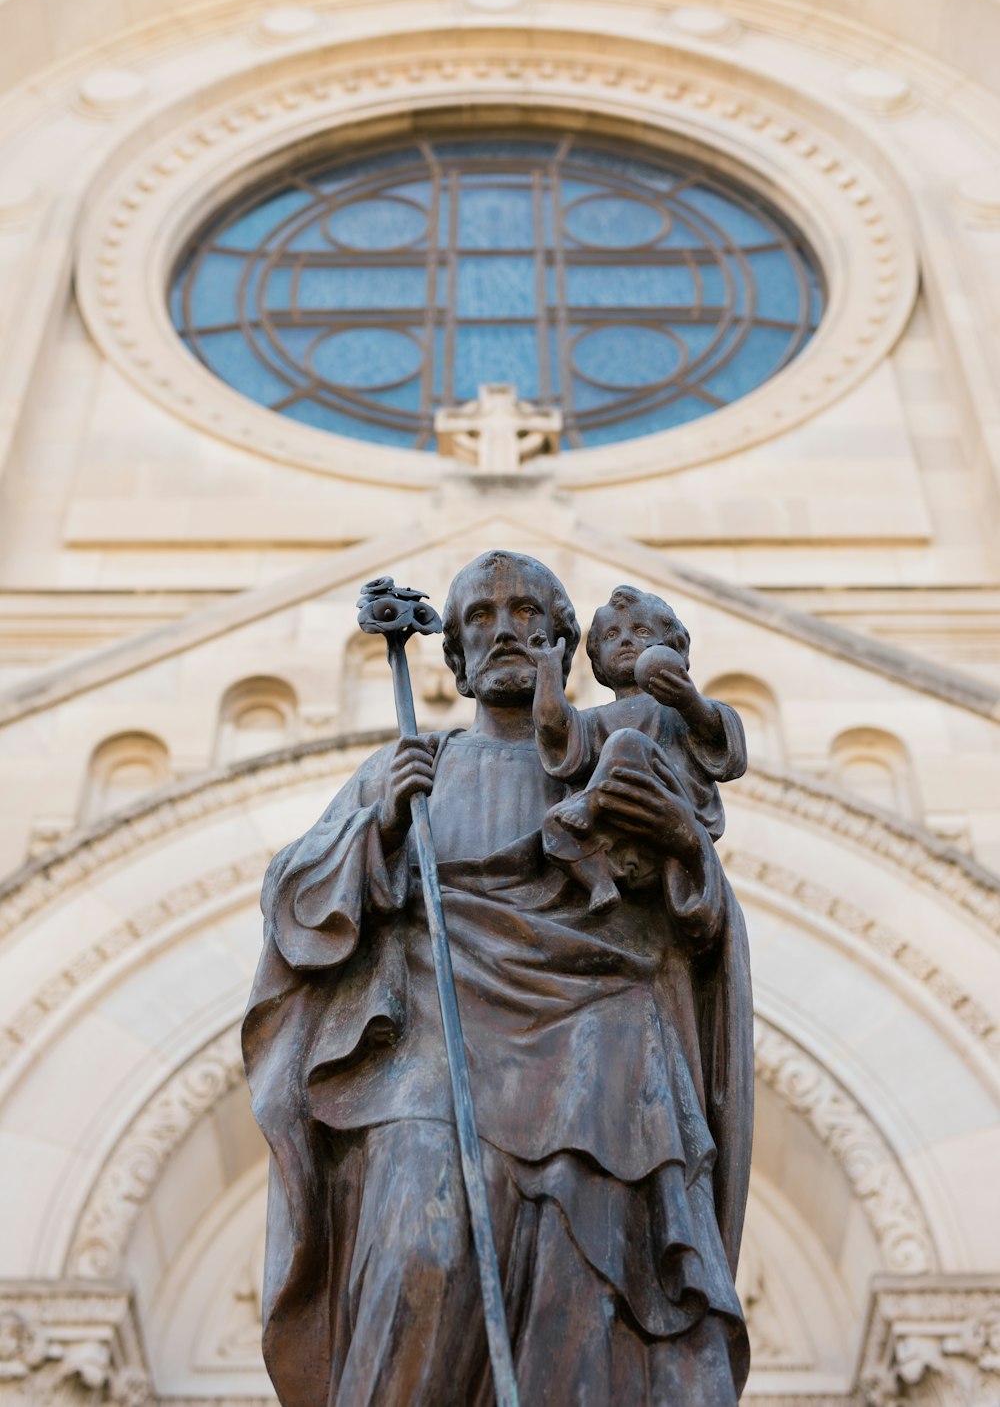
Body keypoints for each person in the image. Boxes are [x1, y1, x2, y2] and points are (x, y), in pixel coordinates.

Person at [242, 551, 753, 1407]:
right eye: (481, 616)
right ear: (455, 658)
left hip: (605, 1037)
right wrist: (379, 827)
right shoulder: (414, 765)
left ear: (563, 639)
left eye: (528, 613)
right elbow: (295, 906)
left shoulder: (613, 749)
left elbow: (700, 923)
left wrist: (679, 841)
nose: (506, 628)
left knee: (580, 1292)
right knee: (417, 1250)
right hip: (433, 1033)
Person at [529, 584, 747, 914]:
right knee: (554, 825)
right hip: (610, 831)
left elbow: (724, 746)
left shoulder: (680, 709)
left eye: (641, 630)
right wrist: (547, 669)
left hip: (662, 802)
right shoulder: (594, 719)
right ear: (598, 660)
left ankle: (594, 800)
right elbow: (555, 733)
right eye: (612, 635)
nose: (626, 640)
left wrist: (689, 701)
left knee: (624, 741)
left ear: (672, 647)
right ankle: (599, 883)